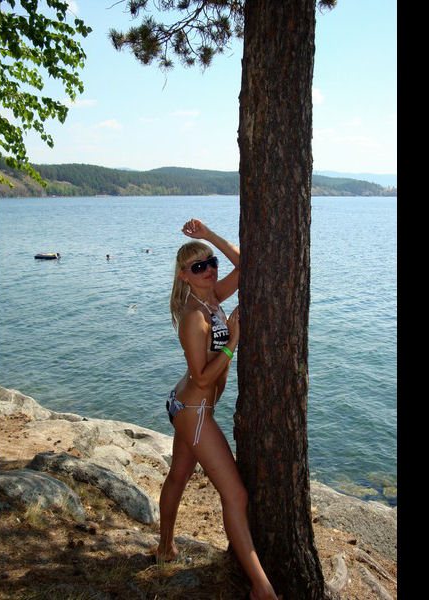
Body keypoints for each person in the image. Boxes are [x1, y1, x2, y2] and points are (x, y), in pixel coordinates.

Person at [154, 218, 278, 600]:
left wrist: (208, 236)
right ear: (184, 276)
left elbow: (246, 265)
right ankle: (262, 588)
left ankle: (165, 548)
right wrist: (233, 341)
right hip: (194, 411)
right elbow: (203, 377)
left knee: (178, 476)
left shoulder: (211, 298)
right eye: (198, 267)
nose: (208, 270)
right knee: (236, 496)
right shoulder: (194, 317)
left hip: (186, 405)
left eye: (211, 263)